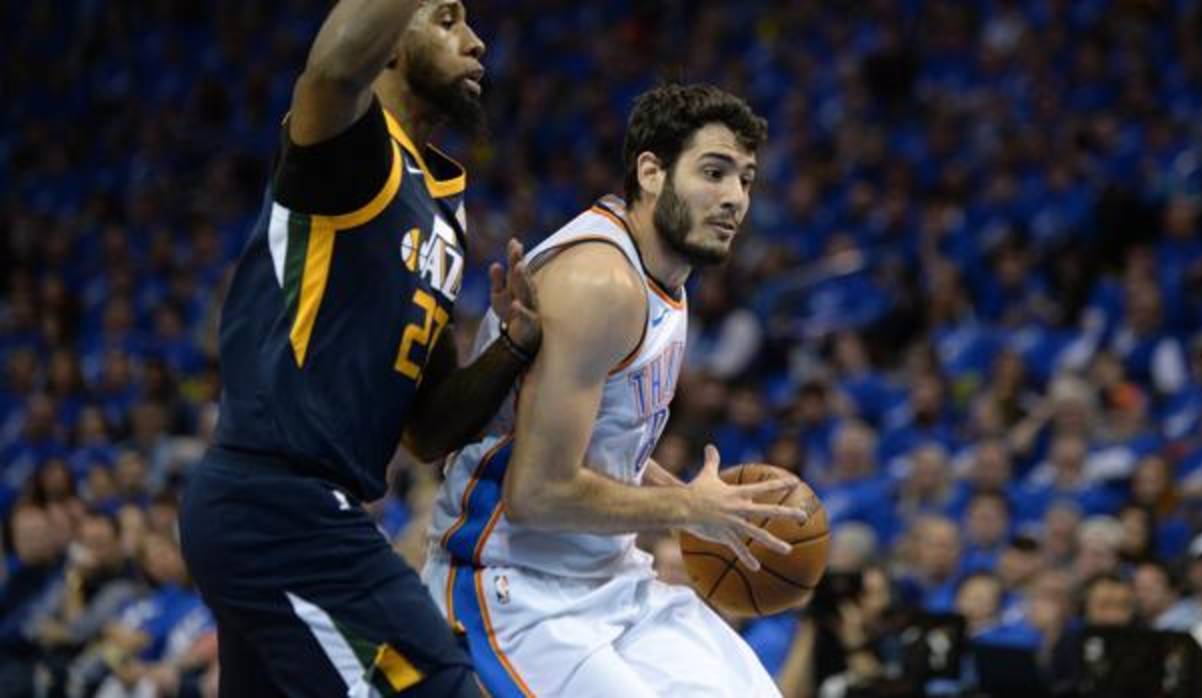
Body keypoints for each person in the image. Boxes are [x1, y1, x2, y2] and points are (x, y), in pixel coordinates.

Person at [179, 2, 541, 696]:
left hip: (296, 511)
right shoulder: (348, 147)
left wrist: (514, 349)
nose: (477, 40)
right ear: (391, 42)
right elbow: (334, 67)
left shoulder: (443, 209)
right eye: (447, 19)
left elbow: (430, 427)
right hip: (276, 502)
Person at [424, 83, 807, 697]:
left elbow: (607, 438)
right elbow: (538, 492)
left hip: (609, 580)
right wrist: (687, 510)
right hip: (510, 588)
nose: (735, 198)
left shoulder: (666, 274)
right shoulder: (600, 283)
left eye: (746, 179)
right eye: (714, 172)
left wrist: (694, 501)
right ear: (650, 172)